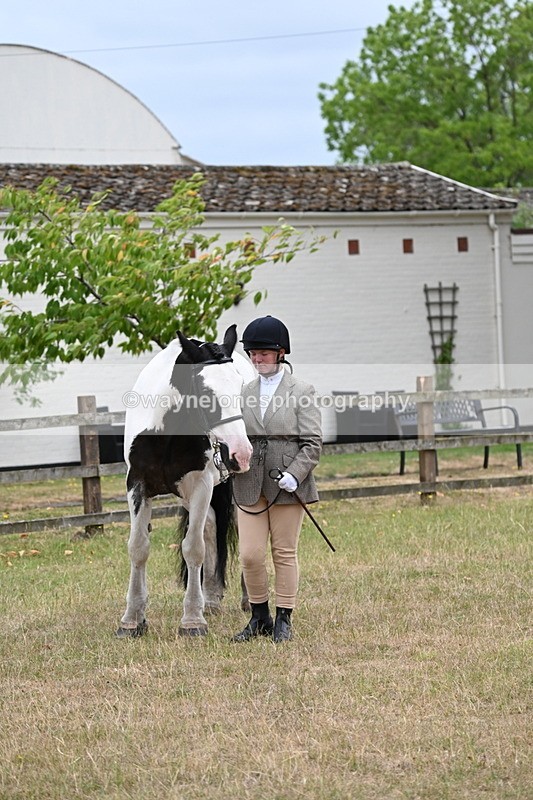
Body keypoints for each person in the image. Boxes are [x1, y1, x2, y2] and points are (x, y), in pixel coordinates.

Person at [231, 315, 322, 643]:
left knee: (284, 551)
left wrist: (295, 475)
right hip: (249, 480)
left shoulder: (302, 391)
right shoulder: (244, 391)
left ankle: (284, 617)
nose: (257, 359)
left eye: (264, 353)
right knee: (250, 554)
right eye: (253, 353)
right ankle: (259, 617)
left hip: (287, 482)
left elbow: (312, 443)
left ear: (281, 352)